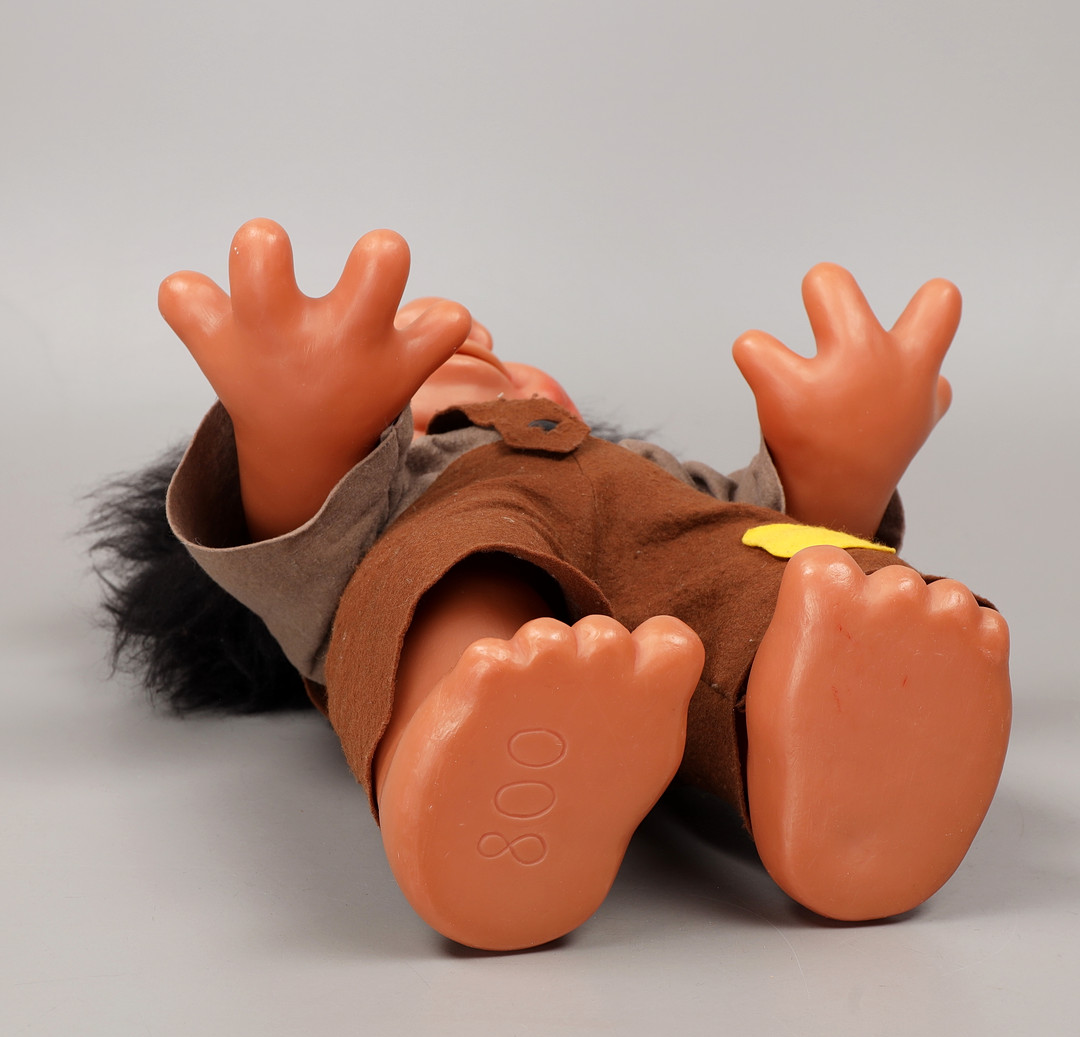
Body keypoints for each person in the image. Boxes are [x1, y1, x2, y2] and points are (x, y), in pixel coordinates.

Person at [132, 219, 1009, 952]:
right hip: (460, 518)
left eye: (493, 354)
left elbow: (763, 522)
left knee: (755, 567)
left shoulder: (649, 469)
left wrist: (839, 463)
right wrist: (293, 438)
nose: (473, 348)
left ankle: (848, 711)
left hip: (664, 529)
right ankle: (481, 717)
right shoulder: (393, 491)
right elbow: (299, 535)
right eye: (430, 363)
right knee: (453, 573)